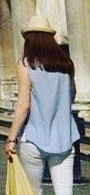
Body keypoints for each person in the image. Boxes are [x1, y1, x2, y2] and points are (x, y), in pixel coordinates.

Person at [4, 14, 78, 195]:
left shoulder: (26, 64)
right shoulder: (66, 64)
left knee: (32, 191)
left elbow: (23, 105)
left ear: (29, 39)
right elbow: (72, 95)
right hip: (65, 137)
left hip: (34, 138)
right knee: (64, 192)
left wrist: (11, 138)